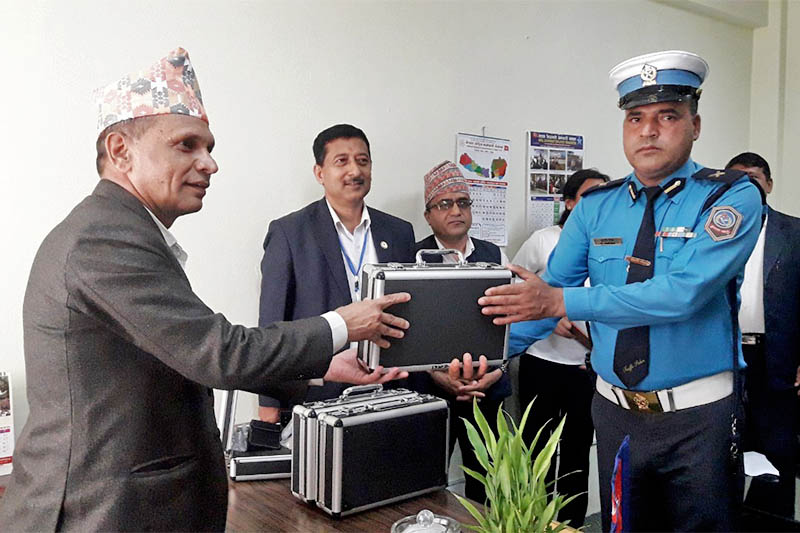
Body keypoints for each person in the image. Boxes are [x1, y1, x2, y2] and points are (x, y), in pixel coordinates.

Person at [0, 48, 414, 532]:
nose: (210, 163)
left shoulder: (122, 230)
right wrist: (345, 323)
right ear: (120, 151)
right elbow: (221, 352)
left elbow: (189, 355)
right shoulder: (103, 239)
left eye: (209, 147)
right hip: (102, 511)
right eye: (186, 146)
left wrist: (322, 368)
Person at [479, 50, 763, 530]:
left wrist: (565, 301)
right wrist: (490, 356)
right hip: (615, 414)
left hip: (698, 419)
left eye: (667, 116)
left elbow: (683, 293)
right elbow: (547, 294)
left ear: (695, 125)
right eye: (636, 118)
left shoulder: (729, 196)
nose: (648, 130)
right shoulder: (596, 206)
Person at [256, 124, 417, 423]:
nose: (354, 170)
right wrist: (269, 407)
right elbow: (271, 328)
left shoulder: (399, 232)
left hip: (390, 393)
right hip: (319, 400)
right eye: (341, 161)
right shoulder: (290, 233)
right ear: (320, 173)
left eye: (363, 161)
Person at [511, 168, 609, 527]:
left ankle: (571, 525)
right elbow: (514, 287)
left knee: (576, 455)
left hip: (589, 367)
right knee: (535, 453)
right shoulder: (544, 239)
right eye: (588, 196)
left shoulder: (613, 242)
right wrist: (548, 317)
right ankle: (532, 523)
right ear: (569, 203)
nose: (597, 204)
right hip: (543, 363)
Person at [413, 160, 510, 502]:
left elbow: (510, 323)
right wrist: (438, 375)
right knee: (423, 482)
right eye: (444, 203)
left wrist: (495, 373)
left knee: (487, 483)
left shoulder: (494, 255)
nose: (456, 210)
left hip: (487, 388)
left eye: (463, 202)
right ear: (428, 215)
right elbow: (406, 332)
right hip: (430, 390)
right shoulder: (413, 257)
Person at [726, 152, 800, 518]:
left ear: (768, 183)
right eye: (737, 179)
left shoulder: (795, 232)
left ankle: (777, 520)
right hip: (723, 354)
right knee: (729, 444)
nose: (747, 186)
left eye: (754, 178)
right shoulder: (714, 234)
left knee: (779, 445)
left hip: (778, 355)